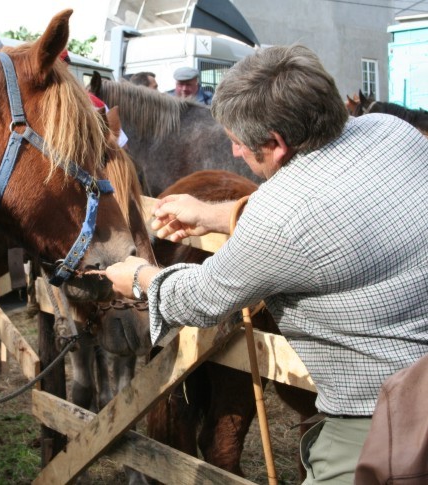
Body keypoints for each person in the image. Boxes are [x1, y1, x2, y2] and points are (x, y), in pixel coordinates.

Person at [105, 44, 428, 484]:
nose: (235, 154)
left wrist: (139, 278)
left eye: (237, 143)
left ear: (275, 144)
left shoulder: (281, 215)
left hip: (380, 425)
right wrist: (216, 214)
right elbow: (339, 211)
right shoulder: (391, 131)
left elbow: (200, 298)